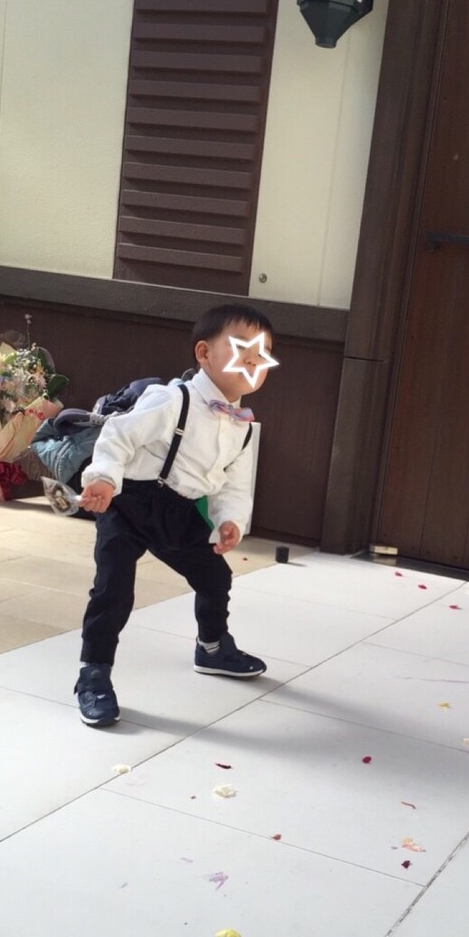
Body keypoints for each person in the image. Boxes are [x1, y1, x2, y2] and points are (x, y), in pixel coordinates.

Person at [73, 304, 276, 727]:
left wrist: (230, 521)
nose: (252, 363)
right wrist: (105, 479)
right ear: (204, 353)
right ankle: (94, 674)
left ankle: (212, 646)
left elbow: (234, 486)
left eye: (261, 356)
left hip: (179, 509)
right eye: (243, 350)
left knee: (215, 577)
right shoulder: (172, 399)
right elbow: (118, 435)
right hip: (130, 502)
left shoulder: (243, 428)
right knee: (113, 588)